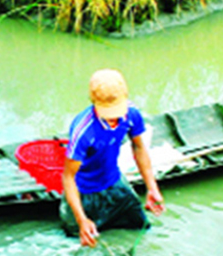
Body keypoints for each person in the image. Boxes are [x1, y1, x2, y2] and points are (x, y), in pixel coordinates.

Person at [60, 69, 164, 246]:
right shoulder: (83, 131)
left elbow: (138, 146)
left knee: (140, 227)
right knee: (80, 238)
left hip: (114, 181)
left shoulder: (131, 114)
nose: (115, 118)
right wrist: (81, 219)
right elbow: (68, 177)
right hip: (84, 191)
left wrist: (151, 187)